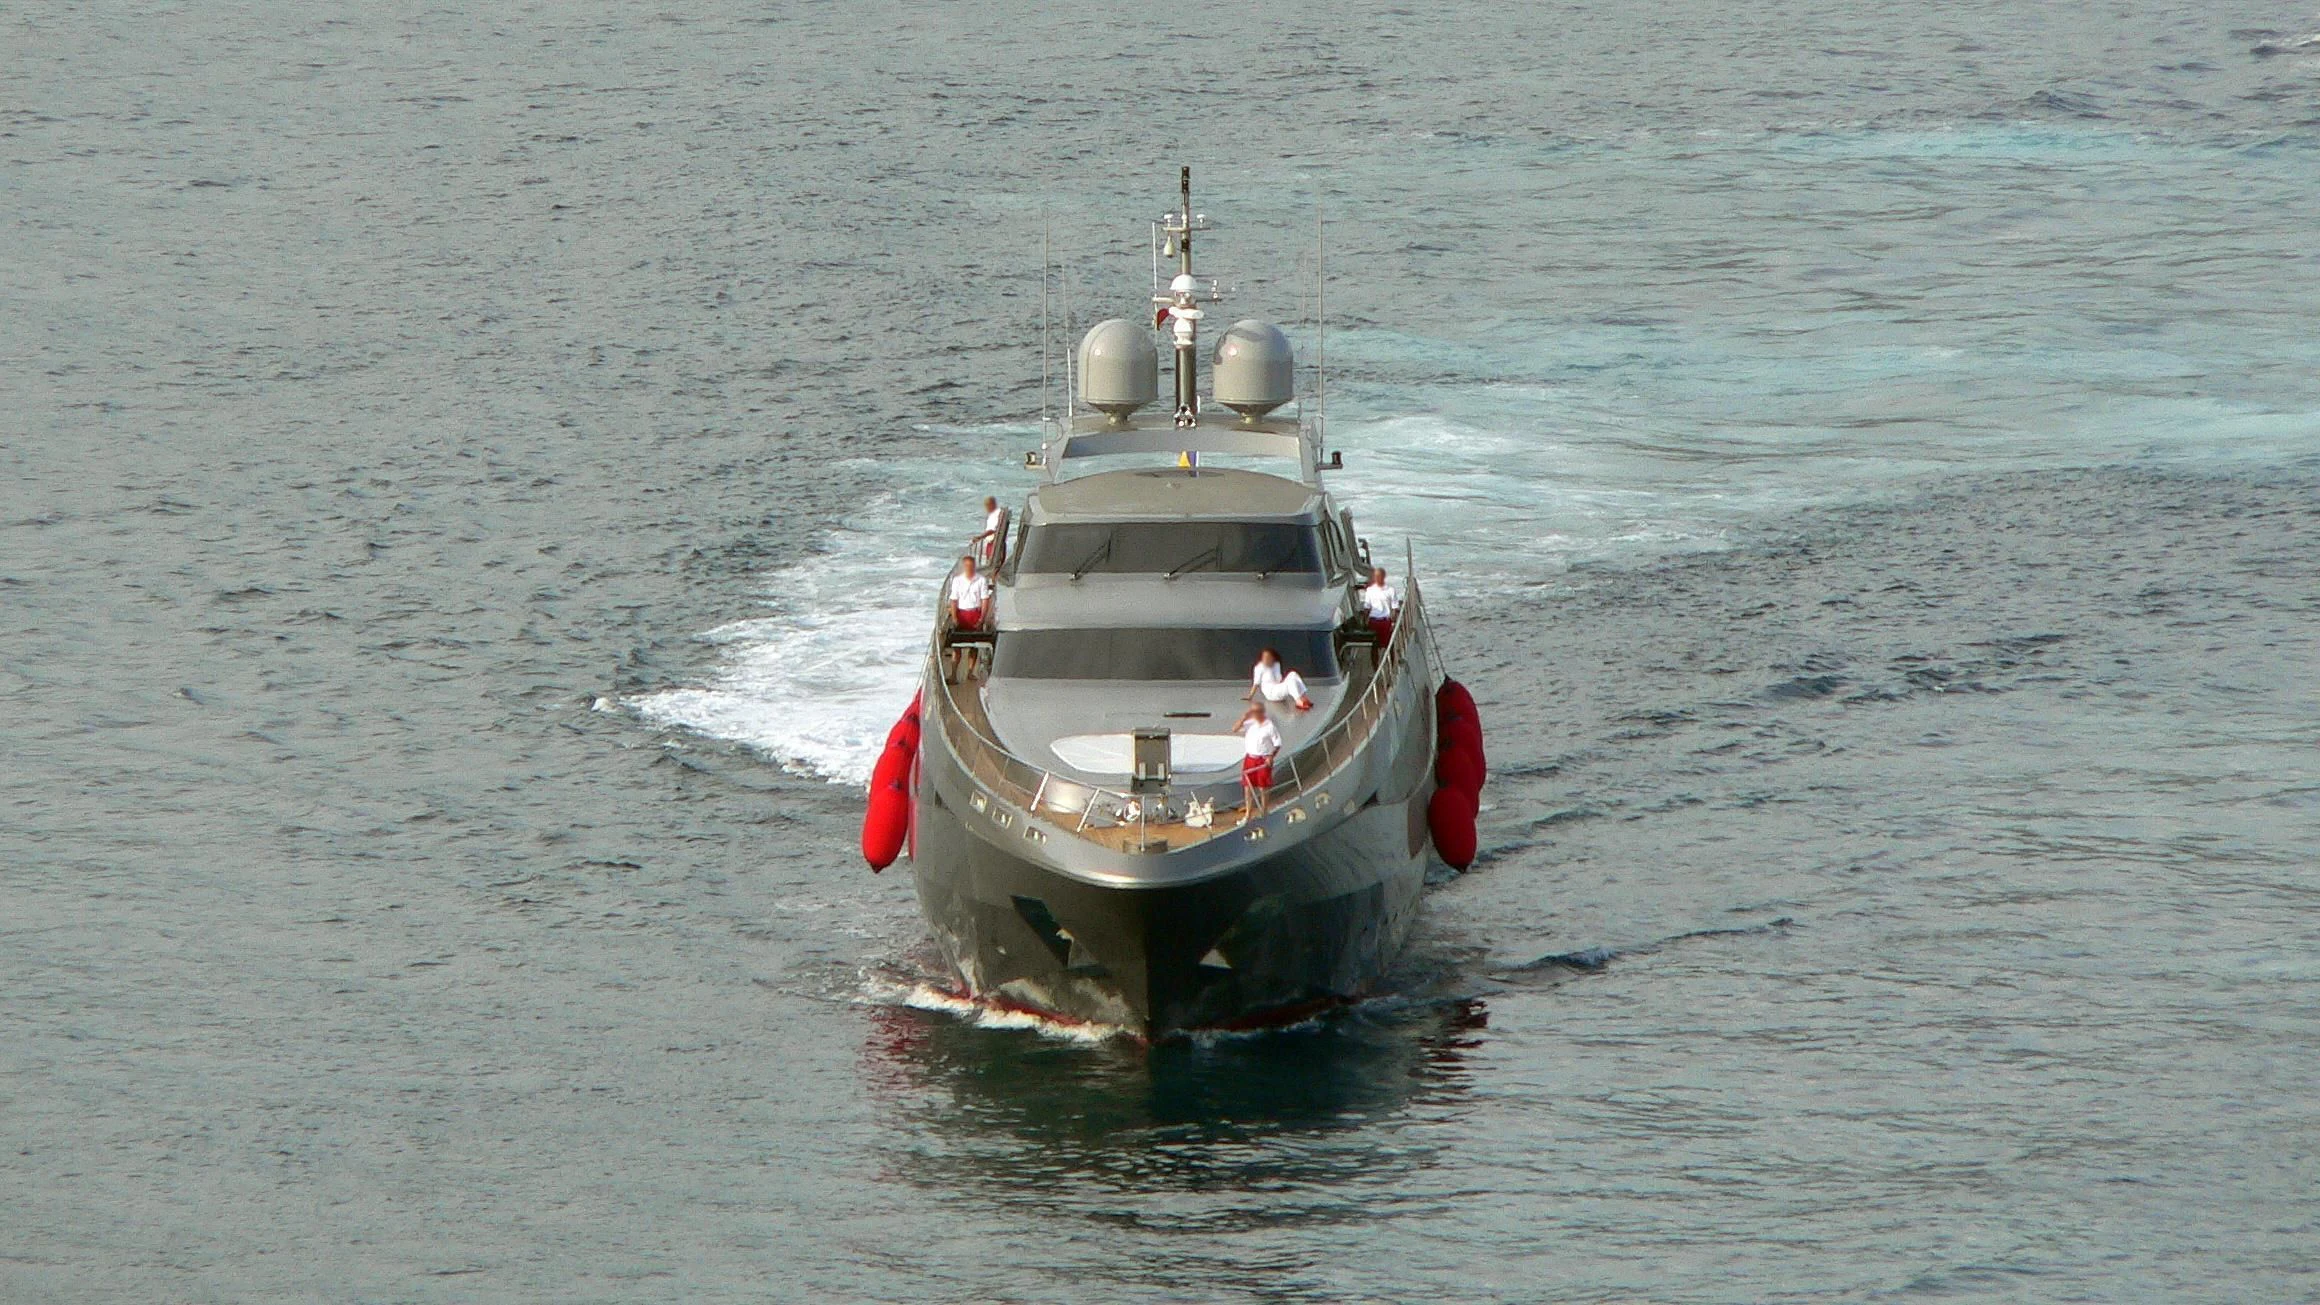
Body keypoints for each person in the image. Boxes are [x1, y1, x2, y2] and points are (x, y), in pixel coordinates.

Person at [945, 555, 992, 679]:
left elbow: (985, 600)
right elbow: (954, 600)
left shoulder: (981, 580)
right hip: (961, 613)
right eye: (966, 566)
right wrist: (954, 617)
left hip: (975, 613)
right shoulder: (957, 580)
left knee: (974, 645)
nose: (969, 568)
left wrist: (982, 618)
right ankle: (954, 674)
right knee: (957, 645)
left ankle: (970, 672)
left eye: (971, 566)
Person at [1237, 703, 1282, 822]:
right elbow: (1235, 729)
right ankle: (1248, 814)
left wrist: (1270, 757)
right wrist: (1243, 718)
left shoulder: (1270, 726)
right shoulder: (1251, 723)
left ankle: (1264, 811)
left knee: (1263, 787)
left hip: (1262, 759)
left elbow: (1277, 743)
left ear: (1261, 712)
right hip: (1250, 758)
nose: (1252, 714)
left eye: (1254, 712)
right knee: (1248, 787)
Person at [1248, 647, 1314, 711]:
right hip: (1271, 693)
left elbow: (1279, 679)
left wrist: (1285, 681)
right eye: (1264, 657)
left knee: (1293, 674)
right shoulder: (1259, 667)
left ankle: (1303, 697)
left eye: (1268, 657)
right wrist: (1250, 696)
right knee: (1290, 682)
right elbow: (1256, 683)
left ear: (1273, 658)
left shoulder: (1276, 664)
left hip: (1278, 688)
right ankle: (1298, 701)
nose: (1266, 659)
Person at [1360, 566, 1402, 646]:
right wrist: (1365, 621)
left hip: (1383, 621)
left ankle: (1390, 657)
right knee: (1377, 645)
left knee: (1386, 645)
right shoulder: (1371, 590)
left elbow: (1394, 608)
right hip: (1376, 621)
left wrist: (1393, 622)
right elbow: (1367, 608)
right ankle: (1381, 658)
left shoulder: (1390, 590)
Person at [971, 496, 1006, 569]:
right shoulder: (996, 513)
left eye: (987, 505)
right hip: (995, 542)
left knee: (990, 564)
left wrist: (980, 537)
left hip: (993, 543)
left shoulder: (994, 515)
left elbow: (992, 530)